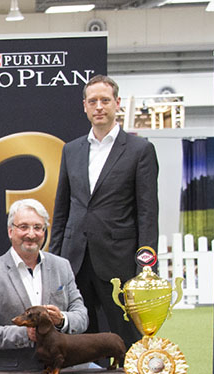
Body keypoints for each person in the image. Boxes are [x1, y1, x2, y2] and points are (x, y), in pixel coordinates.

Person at [50, 75, 159, 353]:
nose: (99, 106)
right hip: (75, 260)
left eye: (105, 100)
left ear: (117, 103)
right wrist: (54, 259)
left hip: (119, 262)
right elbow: (61, 210)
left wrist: (145, 269)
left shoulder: (140, 150)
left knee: (126, 342)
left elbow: (147, 214)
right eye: (93, 101)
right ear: (84, 106)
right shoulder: (71, 150)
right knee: (78, 342)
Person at [0, 199, 88, 371]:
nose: (31, 234)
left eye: (38, 227)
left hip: (61, 373)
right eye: (23, 227)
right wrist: (25, 334)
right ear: (10, 231)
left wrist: (62, 320)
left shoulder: (62, 266)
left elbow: (82, 316)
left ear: (44, 232)